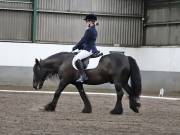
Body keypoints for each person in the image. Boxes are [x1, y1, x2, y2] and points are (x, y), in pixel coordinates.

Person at [72, 14, 99, 83]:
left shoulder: (89, 30)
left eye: (86, 21)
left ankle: (83, 76)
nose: (86, 23)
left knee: (76, 59)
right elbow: (87, 41)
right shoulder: (93, 29)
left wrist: (75, 47)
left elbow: (83, 40)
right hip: (90, 48)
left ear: (90, 22)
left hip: (89, 49)